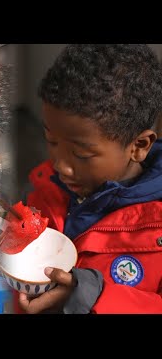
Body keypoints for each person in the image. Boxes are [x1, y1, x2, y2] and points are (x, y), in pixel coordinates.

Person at [21, 44, 162, 314]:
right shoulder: (43, 192)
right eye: (51, 140)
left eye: (81, 154)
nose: (61, 166)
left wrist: (91, 296)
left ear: (139, 145)